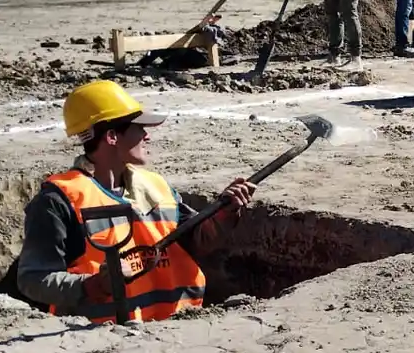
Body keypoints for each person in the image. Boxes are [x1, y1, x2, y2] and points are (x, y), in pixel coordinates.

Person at [16, 81, 254, 324]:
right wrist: (93, 285)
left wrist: (224, 213)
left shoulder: (155, 186)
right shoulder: (59, 200)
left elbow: (197, 240)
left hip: (178, 330)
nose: (146, 135)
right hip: (104, 339)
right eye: (139, 128)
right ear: (111, 136)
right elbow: (33, 279)